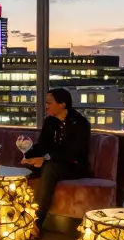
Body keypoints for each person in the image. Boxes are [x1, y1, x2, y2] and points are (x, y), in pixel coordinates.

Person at [21, 88, 91, 229]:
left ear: (62, 104)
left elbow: (71, 152)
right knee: (25, 170)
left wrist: (45, 159)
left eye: (49, 103)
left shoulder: (80, 123)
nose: (46, 106)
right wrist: (28, 154)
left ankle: (35, 223)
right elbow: (43, 145)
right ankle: (16, 216)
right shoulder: (50, 122)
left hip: (75, 166)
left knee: (50, 168)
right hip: (54, 162)